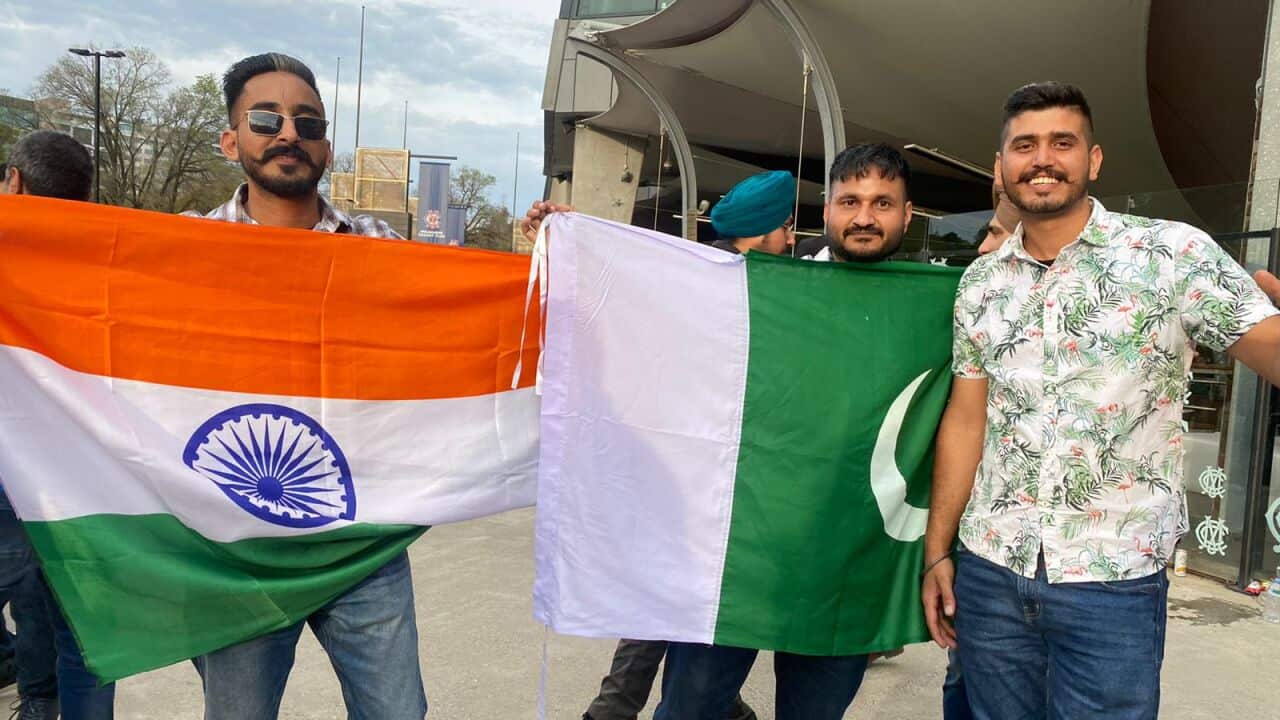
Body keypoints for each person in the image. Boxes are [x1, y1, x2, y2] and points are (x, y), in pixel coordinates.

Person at [922, 81, 1280, 719]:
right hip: (992, 566)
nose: (1043, 158)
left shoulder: (1172, 255)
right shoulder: (980, 281)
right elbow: (967, 419)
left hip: (1112, 578)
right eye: (1024, 145)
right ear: (1001, 167)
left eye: (1063, 142)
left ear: (1093, 159)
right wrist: (938, 551)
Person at [184, 53, 425, 720]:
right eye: (266, 119)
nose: (288, 133)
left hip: (360, 539)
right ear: (232, 140)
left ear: (325, 145)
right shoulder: (185, 252)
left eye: (307, 121)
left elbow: (468, 325)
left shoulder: (380, 247)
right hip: (238, 548)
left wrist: (552, 247)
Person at [650, 144, 912, 720]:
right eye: (850, 201)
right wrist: (570, 241)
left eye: (882, 203)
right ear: (827, 213)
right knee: (686, 711)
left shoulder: (933, 307)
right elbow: (644, 313)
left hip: (848, 567)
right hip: (739, 555)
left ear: (907, 214)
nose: (864, 216)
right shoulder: (757, 291)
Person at [578, 171, 797, 720]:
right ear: (763, 230)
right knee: (677, 600)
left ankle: (643, 708)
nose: (792, 239)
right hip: (709, 473)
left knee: (672, 600)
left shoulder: (686, 277)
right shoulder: (751, 287)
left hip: (679, 470)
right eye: (786, 227)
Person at [0, 129, 113, 720]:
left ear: (14, 182)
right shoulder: (107, 265)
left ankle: (38, 706)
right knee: (80, 633)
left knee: (35, 605)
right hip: (82, 484)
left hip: (9, 479)